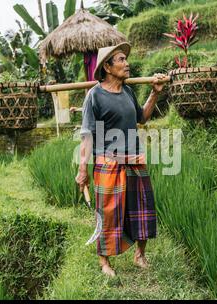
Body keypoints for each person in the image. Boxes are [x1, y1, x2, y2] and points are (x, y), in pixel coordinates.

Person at [75, 42, 166, 277]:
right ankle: (104, 262)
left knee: (143, 208)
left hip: (134, 160)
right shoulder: (94, 96)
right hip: (108, 163)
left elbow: (142, 117)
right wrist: (83, 169)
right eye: (121, 60)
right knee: (108, 212)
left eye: (126, 59)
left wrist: (155, 92)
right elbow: (86, 136)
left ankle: (140, 255)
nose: (127, 64)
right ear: (107, 66)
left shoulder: (127, 90)